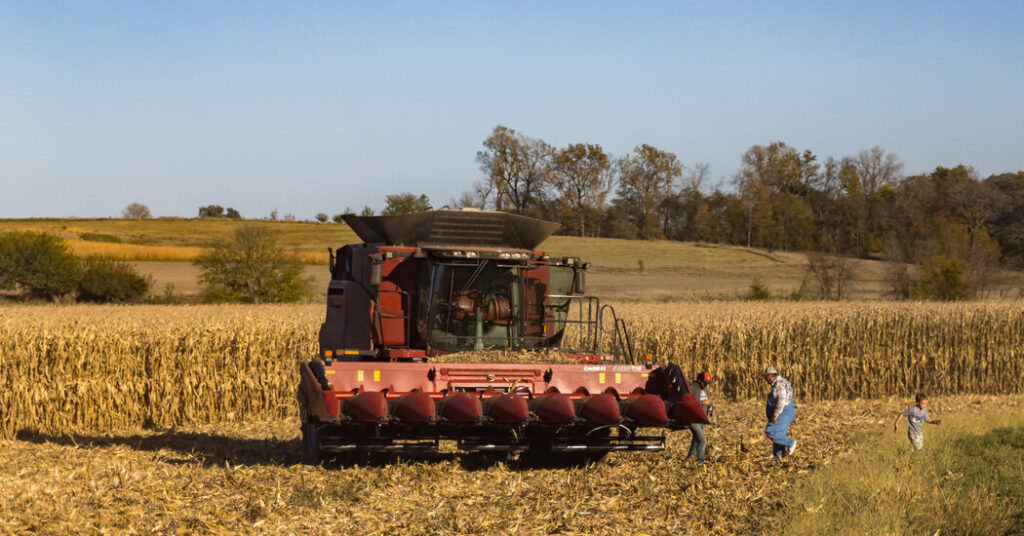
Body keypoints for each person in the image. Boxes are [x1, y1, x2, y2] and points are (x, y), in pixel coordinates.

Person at [763, 366, 796, 459]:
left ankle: (790, 443)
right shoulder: (782, 382)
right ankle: (780, 459)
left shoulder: (779, 384)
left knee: (771, 431)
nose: (765, 380)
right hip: (784, 413)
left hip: (782, 414)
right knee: (779, 437)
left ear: (770, 376)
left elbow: (781, 401)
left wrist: (776, 415)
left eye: (766, 377)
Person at [686, 371, 714, 464]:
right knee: (702, 441)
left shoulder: (705, 389)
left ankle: (689, 459)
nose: (706, 385)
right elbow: (689, 403)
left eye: (707, 383)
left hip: (702, 419)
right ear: (699, 380)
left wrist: (711, 408)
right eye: (704, 382)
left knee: (696, 440)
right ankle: (700, 462)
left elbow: (708, 401)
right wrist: (703, 403)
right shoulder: (692, 388)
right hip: (694, 419)